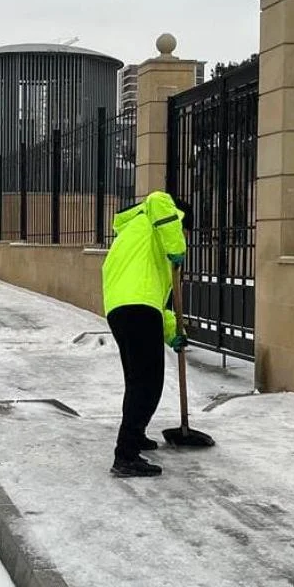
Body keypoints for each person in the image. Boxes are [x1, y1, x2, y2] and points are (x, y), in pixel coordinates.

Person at [100, 190, 188, 478]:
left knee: (137, 380)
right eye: (183, 228)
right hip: (138, 307)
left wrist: (172, 332)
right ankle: (125, 455)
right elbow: (158, 198)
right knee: (148, 383)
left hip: (121, 308)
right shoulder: (157, 212)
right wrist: (177, 245)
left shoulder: (135, 236)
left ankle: (135, 438)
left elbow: (156, 296)